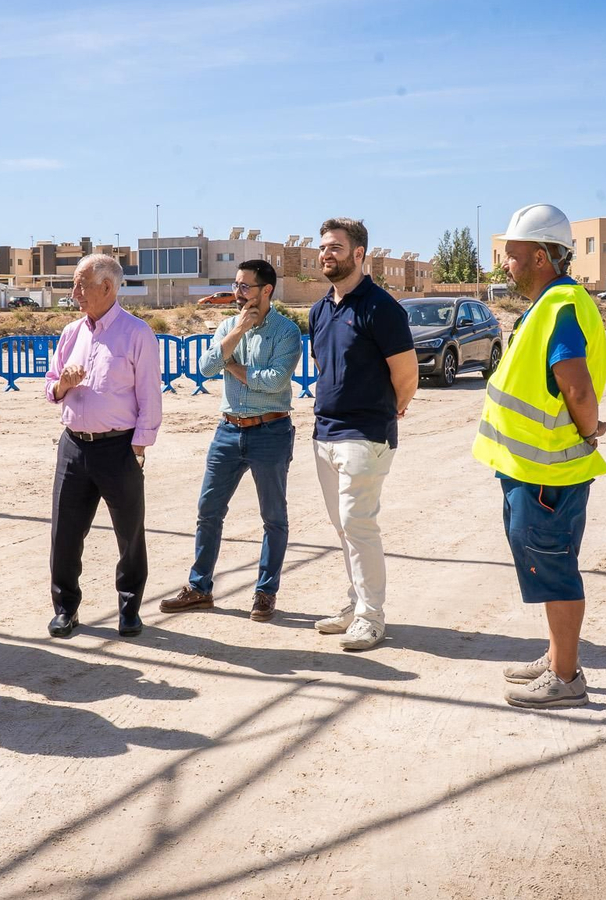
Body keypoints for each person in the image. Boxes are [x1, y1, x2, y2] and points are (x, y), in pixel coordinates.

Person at [472, 204, 606, 709]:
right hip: (531, 468)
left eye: (512, 255)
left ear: (540, 257)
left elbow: (574, 384)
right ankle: (557, 656)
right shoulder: (551, 303)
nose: (505, 265)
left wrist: (590, 428)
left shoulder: (561, 306)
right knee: (550, 564)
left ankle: (567, 677)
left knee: (554, 569)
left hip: (547, 471)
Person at [159, 259, 303, 622]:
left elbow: (273, 382)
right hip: (227, 431)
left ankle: (265, 593)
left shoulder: (286, 332)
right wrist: (236, 334)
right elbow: (205, 368)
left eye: (244, 287)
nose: (237, 293)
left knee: (273, 518)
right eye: (236, 286)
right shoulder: (227, 325)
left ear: (265, 290)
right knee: (208, 512)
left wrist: (232, 365)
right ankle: (199, 588)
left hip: (270, 431)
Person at [308, 218, 417, 652]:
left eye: (335, 247)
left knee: (359, 524)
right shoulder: (319, 310)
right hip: (324, 432)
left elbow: (407, 377)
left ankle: (372, 616)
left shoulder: (382, 307)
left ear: (359, 254)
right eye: (323, 247)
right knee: (343, 527)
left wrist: (386, 413)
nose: (325, 254)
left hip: (365, 434)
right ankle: (355, 605)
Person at [43, 253, 162, 639]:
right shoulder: (70, 333)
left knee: (129, 534)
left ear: (107, 287)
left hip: (119, 448)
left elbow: (149, 396)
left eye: (80, 285)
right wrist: (64, 384)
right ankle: (65, 610)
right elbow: (51, 387)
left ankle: (129, 610)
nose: (74, 293)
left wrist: (139, 447)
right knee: (64, 533)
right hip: (74, 446)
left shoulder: (136, 333)